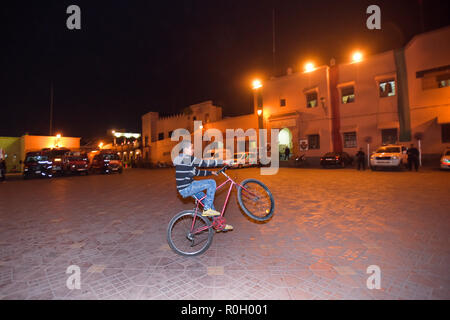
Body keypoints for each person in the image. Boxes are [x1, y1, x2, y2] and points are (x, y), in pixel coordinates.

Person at [173, 141, 233, 231]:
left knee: (207, 200)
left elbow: (196, 172)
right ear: (185, 149)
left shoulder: (183, 160)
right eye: (191, 148)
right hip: (187, 188)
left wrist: (210, 172)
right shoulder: (187, 158)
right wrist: (223, 161)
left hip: (187, 187)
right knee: (211, 183)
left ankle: (219, 224)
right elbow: (204, 163)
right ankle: (207, 209)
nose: (193, 150)